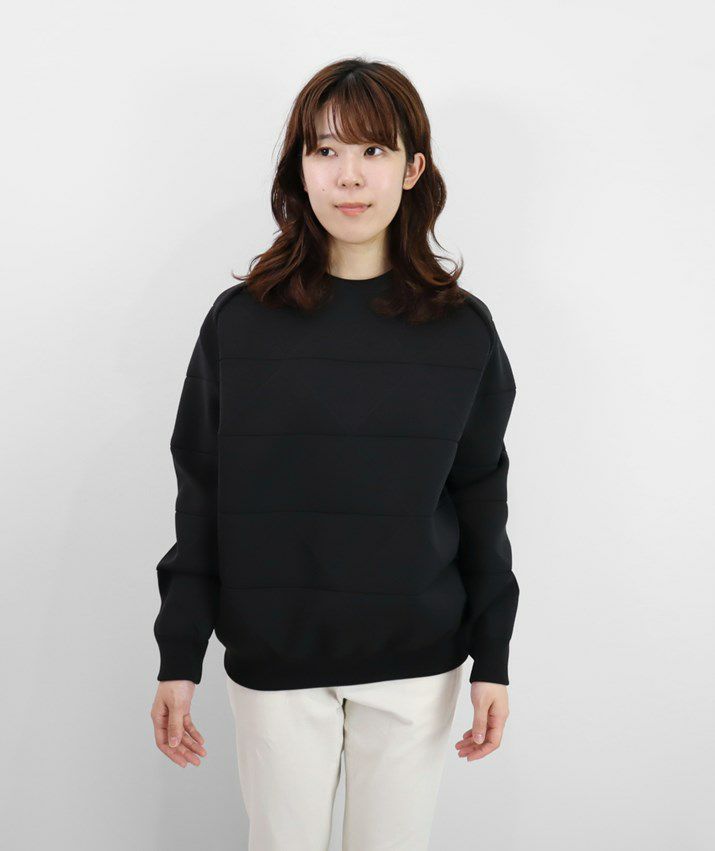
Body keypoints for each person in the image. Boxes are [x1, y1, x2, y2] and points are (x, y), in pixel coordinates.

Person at [150, 57, 519, 851]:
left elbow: (481, 500)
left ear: (412, 169)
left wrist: (493, 656)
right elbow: (201, 494)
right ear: (299, 169)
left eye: (373, 150)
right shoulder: (239, 325)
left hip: (416, 663)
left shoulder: (462, 332)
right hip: (275, 655)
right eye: (325, 151)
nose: (349, 176)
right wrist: (178, 653)